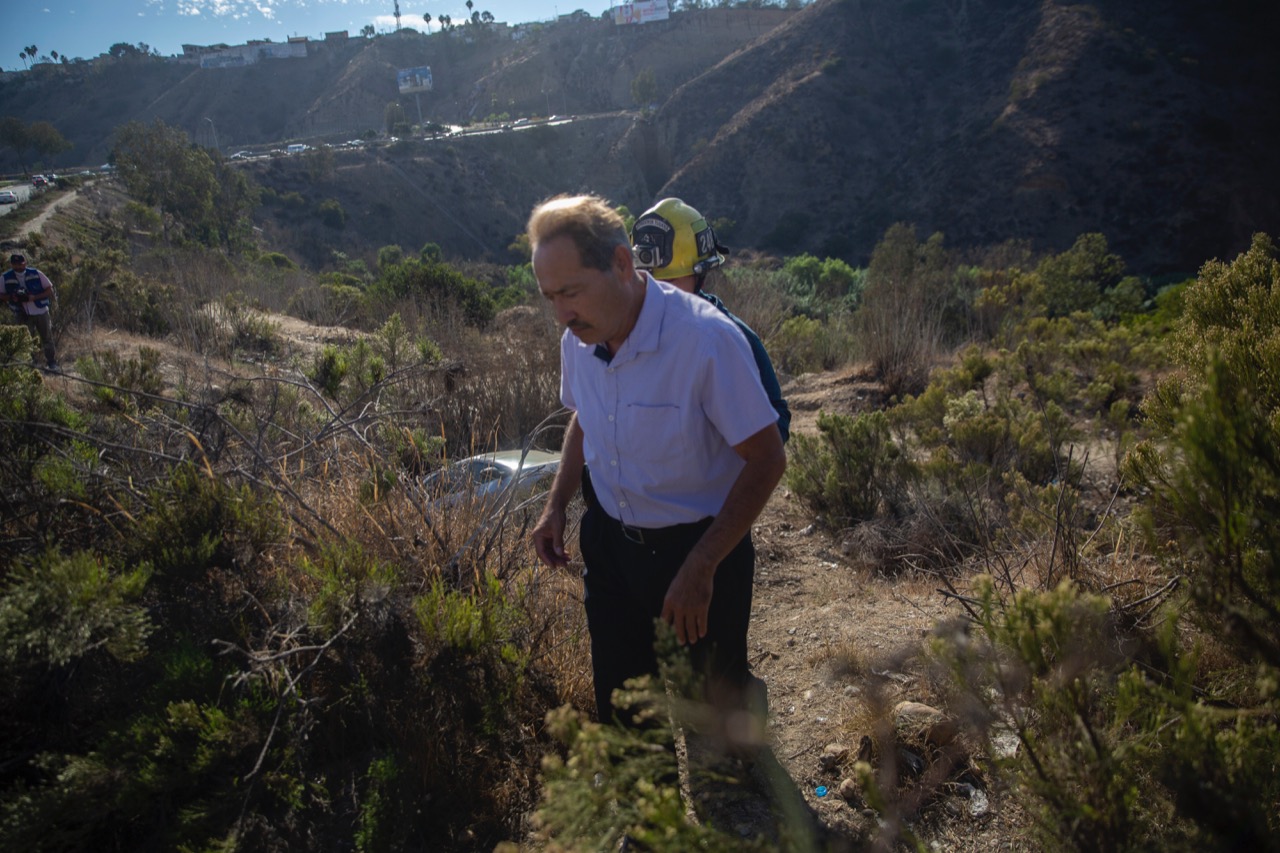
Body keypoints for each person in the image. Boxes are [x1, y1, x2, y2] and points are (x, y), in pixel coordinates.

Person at [528, 194, 786, 738]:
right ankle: (645, 817)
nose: (562, 313)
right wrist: (556, 506)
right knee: (628, 716)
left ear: (622, 264)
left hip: (697, 550)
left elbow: (767, 458)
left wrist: (701, 565)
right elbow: (584, 420)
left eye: (571, 292)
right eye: (550, 297)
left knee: (719, 724)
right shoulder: (578, 340)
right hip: (611, 548)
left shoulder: (708, 341)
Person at [631, 197, 791, 443]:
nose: (659, 293)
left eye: (670, 282)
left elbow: (776, 426)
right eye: (648, 282)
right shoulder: (627, 335)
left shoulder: (733, 338)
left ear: (700, 277)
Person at [3, 253, 59, 372]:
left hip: (40, 311)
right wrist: (12, 297)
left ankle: (51, 362)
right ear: (11, 264)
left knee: (47, 337)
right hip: (21, 312)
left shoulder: (36, 273)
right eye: (15, 264)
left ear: (25, 263)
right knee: (26, 341)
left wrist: (34, 297)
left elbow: (49, 289)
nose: (18, 267)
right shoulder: (5, 277)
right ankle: (31, 365)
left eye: (20, 264)